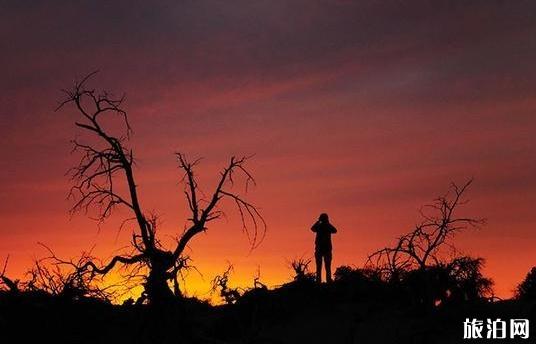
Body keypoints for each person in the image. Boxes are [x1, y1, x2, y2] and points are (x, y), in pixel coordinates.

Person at [311, 213, 337, 283]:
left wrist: (318, 222)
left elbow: (335, 230)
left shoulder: (321, 226)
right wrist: (327, 223)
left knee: (322, 266)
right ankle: (323, 280)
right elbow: (312, 229)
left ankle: (321, 281)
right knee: (325, 266)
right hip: (323, 249)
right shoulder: (325, 226)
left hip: (324, 249)